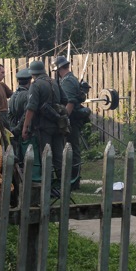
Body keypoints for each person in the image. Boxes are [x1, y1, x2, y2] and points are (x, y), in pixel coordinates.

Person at [21, 60, 66, 188]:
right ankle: (63, 183)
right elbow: (65, 100)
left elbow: (31, 108)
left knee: (46, 155)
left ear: (33, 73)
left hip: (43, 126)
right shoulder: (54, 82)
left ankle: (48, 185)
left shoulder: (36, 85)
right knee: (58, 156)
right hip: (57, 123)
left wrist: (25, 126)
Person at [53, 56, 87, 188]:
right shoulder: (71, 79)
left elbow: (70, 102)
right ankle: (73, 179)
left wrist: (64, 121)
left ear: (59, 69)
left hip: (71, 120)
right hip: (72, 119)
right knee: (71, 148)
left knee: (72, 148)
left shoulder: (67, 81)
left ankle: (74, 180)